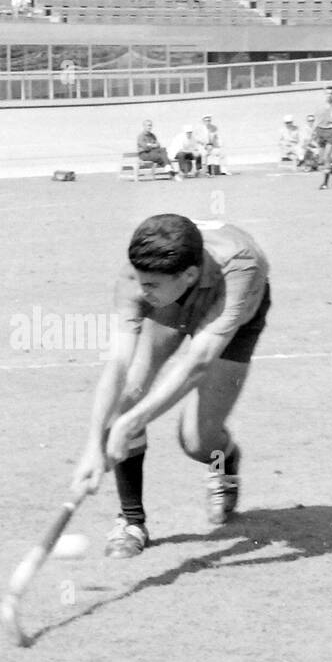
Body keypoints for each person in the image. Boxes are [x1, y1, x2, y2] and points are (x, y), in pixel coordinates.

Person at [72, 214, 270, 558]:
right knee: (129, 393)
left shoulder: (242, 267)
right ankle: (131, 521)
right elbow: (118, 365)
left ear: (189, 275)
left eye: (149, 286)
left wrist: (129, 424)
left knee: (197, 441)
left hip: (233, 308)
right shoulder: (140, 276)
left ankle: (225, 460)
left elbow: (198, 363)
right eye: (139, 281)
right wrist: (94, 442)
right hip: (172, 301)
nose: (140, 289)